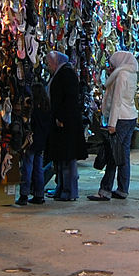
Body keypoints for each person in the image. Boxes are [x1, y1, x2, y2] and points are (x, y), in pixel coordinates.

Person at [90, 50, 139, 201]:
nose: (111, 66)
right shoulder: (132, 73)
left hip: (121, 119)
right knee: (123, 156)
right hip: (130, 116)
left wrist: (112, 123)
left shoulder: (121, 75)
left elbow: (117, 100)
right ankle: (123, 189)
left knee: (112, 155)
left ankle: (105, 190)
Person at [45, 51, 85, 201]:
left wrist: (61, 117)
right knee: (61, 159)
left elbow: (68, 99)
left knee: (67, 159)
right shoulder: (62, 72)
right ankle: (61, 188)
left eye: (50, 63)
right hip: (61, 123)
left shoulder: (66, 74)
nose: (49, 66)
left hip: (66, 124)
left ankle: (68, 191)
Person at [17, 83, 51, 206]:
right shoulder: (46, 108)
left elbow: (28, 123)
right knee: (38, 169)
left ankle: (24, 194)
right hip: (41, 142)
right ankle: (39, 194)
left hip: (31, 141)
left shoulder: (33, 109)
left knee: (27, 167)